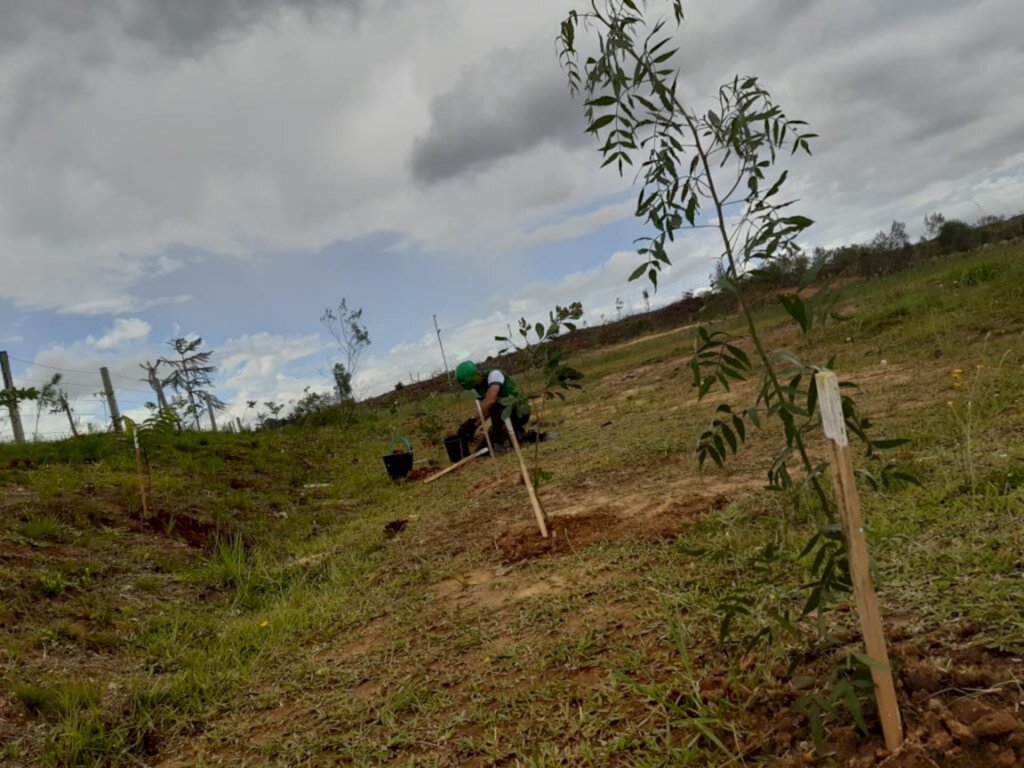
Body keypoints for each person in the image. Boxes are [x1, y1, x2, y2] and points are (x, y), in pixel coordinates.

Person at [454, 360, 530, 447]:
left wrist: (472, 420)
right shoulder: (476, 389)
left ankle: (514, 439)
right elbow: (486, 411)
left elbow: (491, 400)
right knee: (487, 443)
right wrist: (473, 426)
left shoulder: (494, 375)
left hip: (520, 411)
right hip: (503, 415)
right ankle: (517, 434)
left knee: (497, 439)